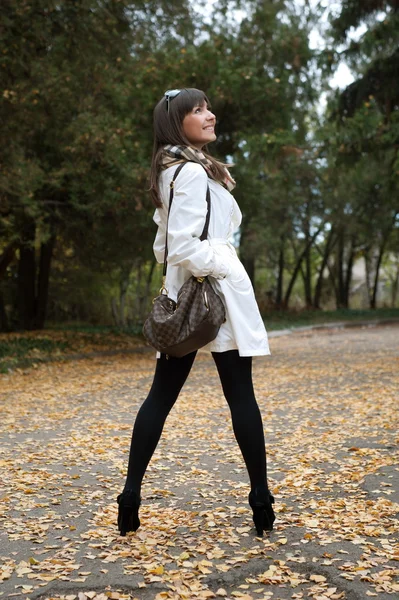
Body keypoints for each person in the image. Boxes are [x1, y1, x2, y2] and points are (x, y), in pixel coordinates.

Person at [117, 88, 275, 537]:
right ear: (176, 122)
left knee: (161, 397)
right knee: (240, 396)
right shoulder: (188, 172)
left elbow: (162, 245)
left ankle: (130, 496)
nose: (210, 115)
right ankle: (260, 498)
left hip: (186, 293)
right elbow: (183, 247)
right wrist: (223, 264)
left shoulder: (175, 170)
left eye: (207, 107)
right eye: (198, 110)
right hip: (212, 294)